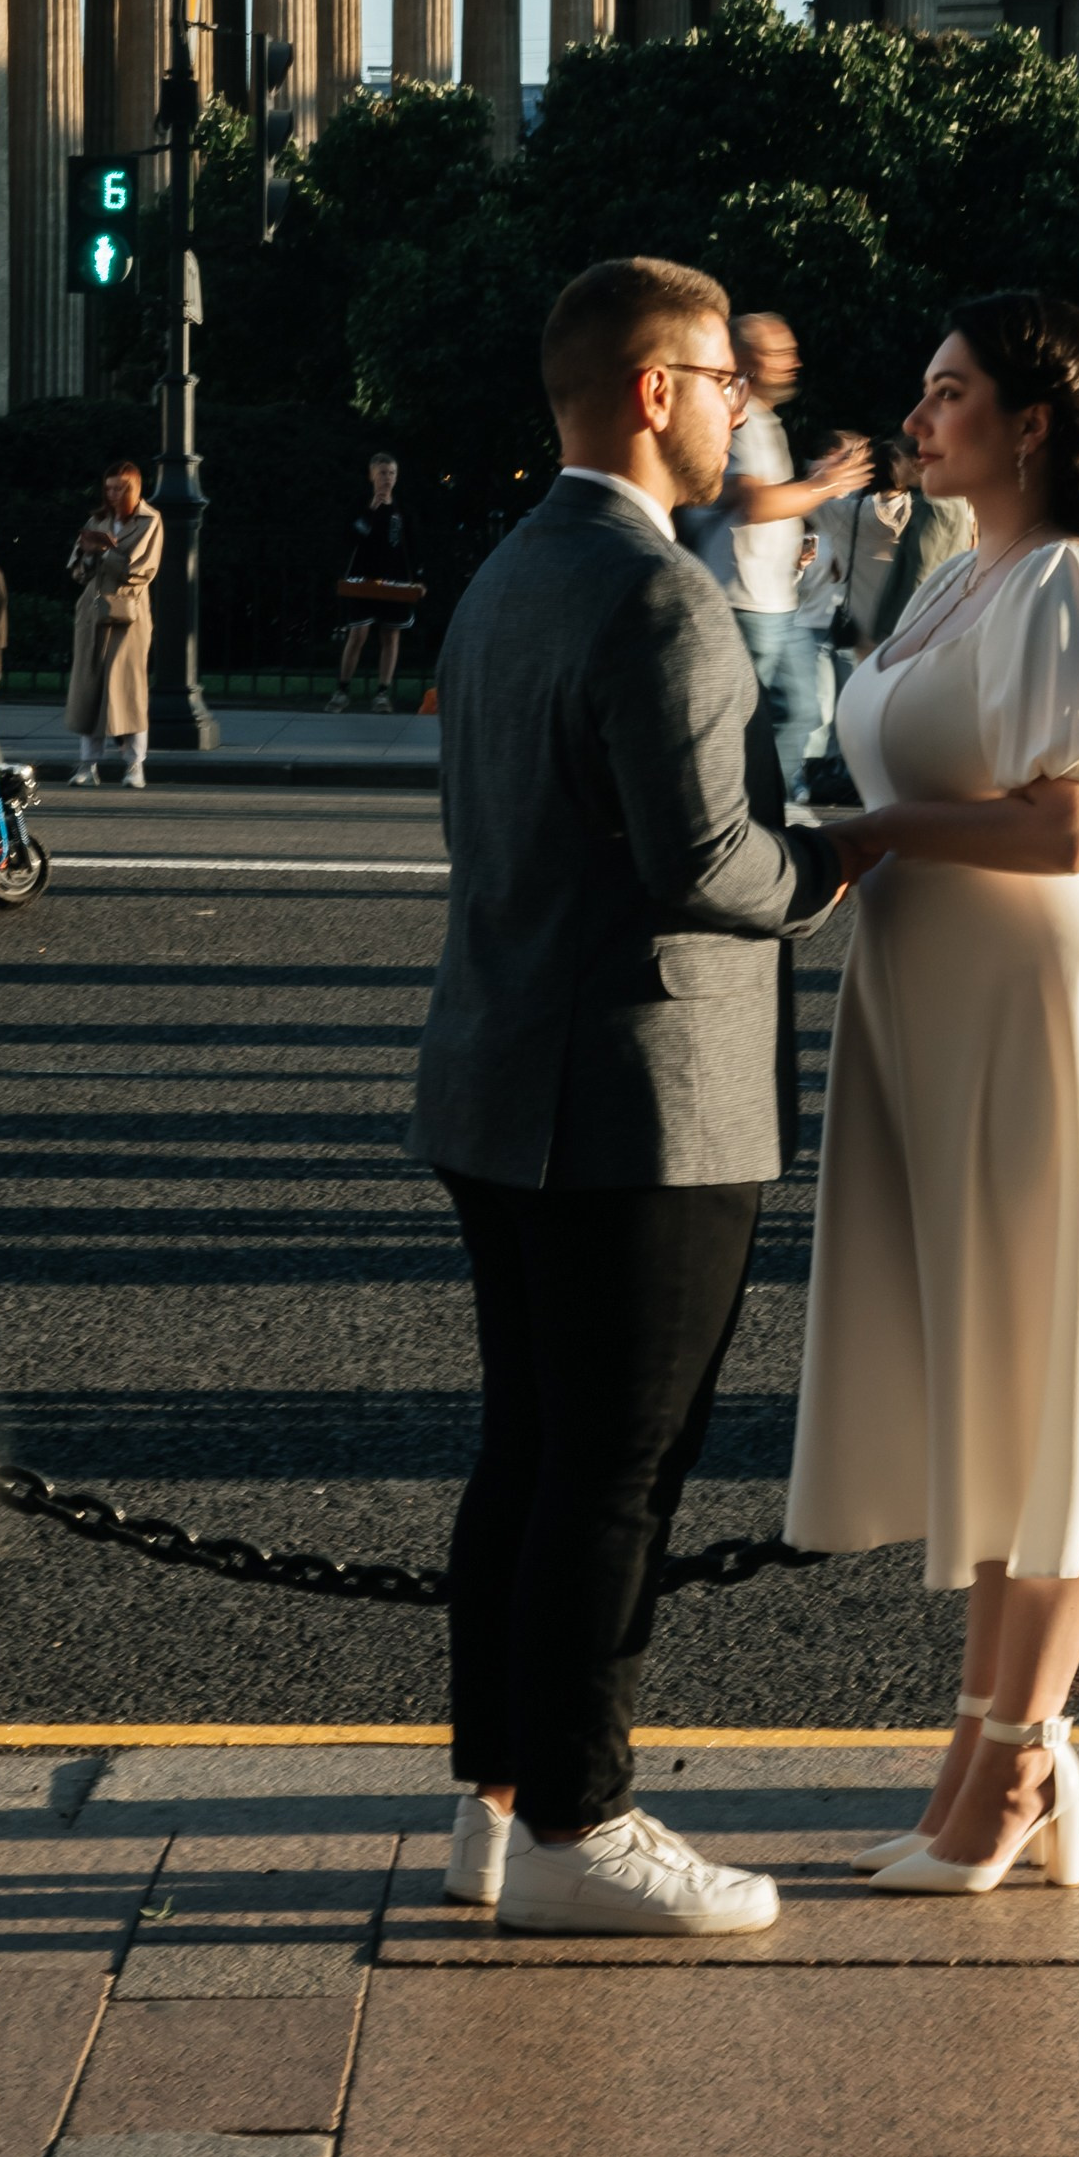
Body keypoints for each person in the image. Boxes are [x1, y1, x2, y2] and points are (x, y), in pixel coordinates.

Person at [417, 258, 853, 1938]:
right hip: (650, 1092)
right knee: (619, 1469)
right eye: (724, 377)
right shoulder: (657, 595)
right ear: (654, 394)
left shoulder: (515, 567)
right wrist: (845, 861)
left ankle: (498, 1797)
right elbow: (715, 867)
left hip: (504, 1073)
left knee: (526, 1450)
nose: (746, 404)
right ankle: (583, 1825)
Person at [785, 290, 1079, 1893]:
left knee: (1053, 1401)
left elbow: (1068, 833)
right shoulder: (959, 574)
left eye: (952, 391)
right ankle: (984, 1751)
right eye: (923, 388)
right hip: (939, 1010)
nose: (922, 414)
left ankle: (1016, 1763)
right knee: (996, 1398)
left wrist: (877, 837)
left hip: (1041, 1012)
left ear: (1031, 421)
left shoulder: (1068, 580)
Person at [694, 311, 868, 802]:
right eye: (780, 353)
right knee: (752, 721)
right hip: (741, 600)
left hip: (774, 599)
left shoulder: (765, 420)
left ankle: (759, 813)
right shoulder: (742, 420)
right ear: (748, 361)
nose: (793, 362)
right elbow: (753, 501)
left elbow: (771, 504)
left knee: (799, 712)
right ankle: (746, 817)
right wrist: (827, 484)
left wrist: (795, 545)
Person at [799, 438, 974, 804]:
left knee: (845, 713)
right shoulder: (917, 511)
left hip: (862, 630)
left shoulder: (849, 514)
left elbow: (811, 498)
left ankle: (844, 778)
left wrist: (833, 474)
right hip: (908, 626)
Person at [64, 461, 161, 790]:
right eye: (109, 488)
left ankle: (134, 766)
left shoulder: (150, 520)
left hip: (129, 615)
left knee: (128, 690)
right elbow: (78, 571)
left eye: (120, 488)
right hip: (92, 611)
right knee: (88, 688)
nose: (113, 494)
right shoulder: (97, 520)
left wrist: (104, 553)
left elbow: (142, 569)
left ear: (134, 489)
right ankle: (87, 764)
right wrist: (89, 554)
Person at [328, 451, 421, 714]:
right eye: (382, 473)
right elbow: (350, 537)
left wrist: (419, 578)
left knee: (391, 634)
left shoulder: (402, 509)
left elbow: (413, 544)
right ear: (372, 475)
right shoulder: (360, 504)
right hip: (363, 579)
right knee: (358, 633)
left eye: (391, 473)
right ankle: (342, 690)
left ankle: (382, 693)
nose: (387, 479)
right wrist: (371, 511)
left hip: (396, 579)